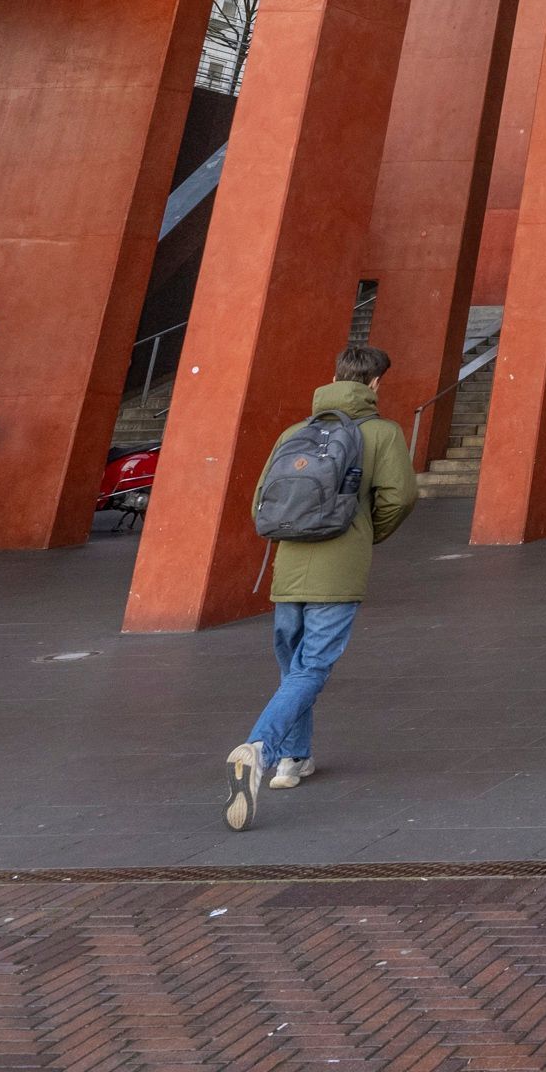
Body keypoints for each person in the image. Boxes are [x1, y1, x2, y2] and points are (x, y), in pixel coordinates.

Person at [224, 341, 413, 831]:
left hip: (287, 568)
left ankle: (294, 760)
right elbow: (400, 497)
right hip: (339, 569)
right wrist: (368, 533)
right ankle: (258, 750)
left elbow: (260, 503)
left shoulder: (296, 431)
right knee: (313, 668)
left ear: (334, 377)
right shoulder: (383, 433)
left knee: (294, 669)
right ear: (375, 383)